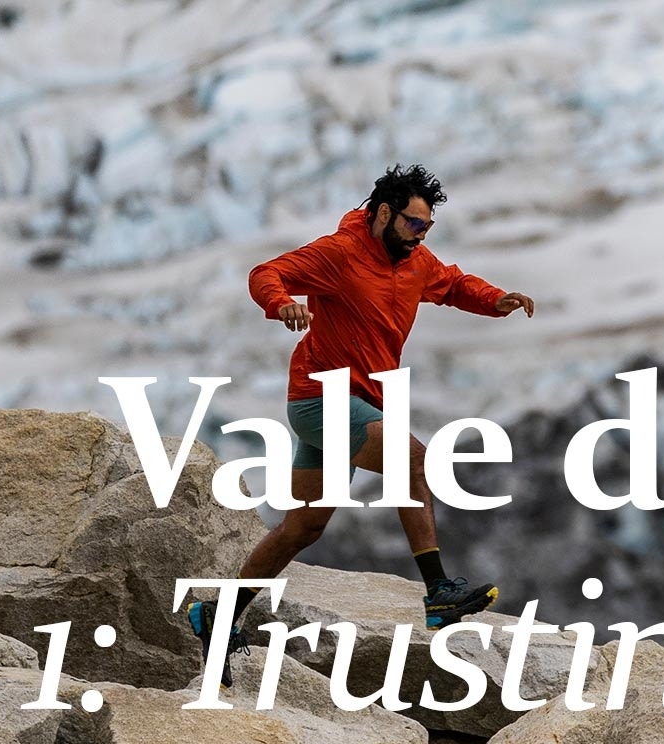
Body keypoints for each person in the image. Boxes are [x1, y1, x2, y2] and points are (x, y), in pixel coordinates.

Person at [185, 163, 534, 674]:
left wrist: (495, 300)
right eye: (414, 224)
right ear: (384, 214)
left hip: (356, 406)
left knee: (302, 529)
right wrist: (282, 304)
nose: (420, 236)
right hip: (320, 398)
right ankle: (438, 592)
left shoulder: (415, 261)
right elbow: (267, 273)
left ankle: (220, 615)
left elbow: (453, 284)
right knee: (411, 460)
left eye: (428, 227)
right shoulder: (340, 254)